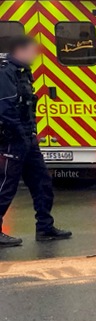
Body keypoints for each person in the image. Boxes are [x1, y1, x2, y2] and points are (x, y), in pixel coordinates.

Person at [0, 35, 72, 247]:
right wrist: (21, 134)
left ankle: (45, 227)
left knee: (42, 182)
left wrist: (31, 134)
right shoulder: (5, 72)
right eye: (32, 50)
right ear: (19, 50)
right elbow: (5, 109)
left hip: (27, 138)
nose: (35, 55)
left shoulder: (23, 71)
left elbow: (26, 105)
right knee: (6, 186)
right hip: (12, 139)